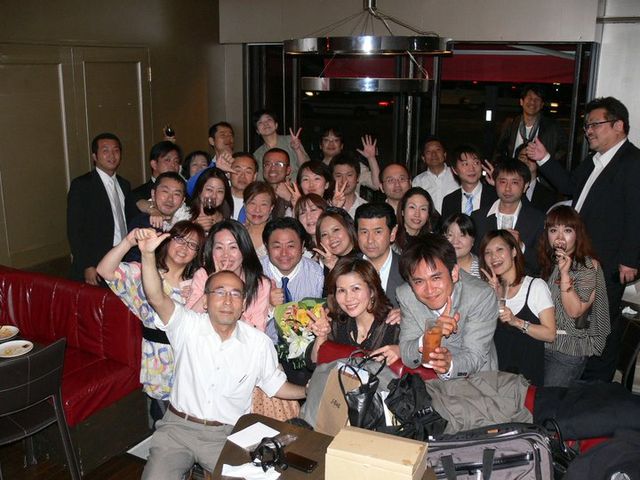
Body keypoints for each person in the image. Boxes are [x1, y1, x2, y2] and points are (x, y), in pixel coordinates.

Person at [138, 231, 305, 479]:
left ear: (243, 304)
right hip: (177, 428)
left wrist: (308, 389)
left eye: (235, 294)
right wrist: (147, 254)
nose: (227, 300)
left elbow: (275, 385)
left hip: (227, 435)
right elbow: (156, 296)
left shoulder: (258, 343)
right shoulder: (187, 325)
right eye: (219, 292)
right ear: (205, 301)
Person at [527, 96, 640, 381]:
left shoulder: (633, 161)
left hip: (609, 259)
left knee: (602, 323)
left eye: (595, 124)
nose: (588, 131)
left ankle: (597, 386)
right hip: (581, 256)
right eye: (587, 125)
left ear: (618, 125)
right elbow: (569, 185)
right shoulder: (594, 160)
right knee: (579, 319)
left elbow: (637, 213)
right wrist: (544, 158)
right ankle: (576, 376)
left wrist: (630, 259)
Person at [96, 221, 205, 424]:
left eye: (193, 245)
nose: (184, 247)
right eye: (180, 239)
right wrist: (129, 241)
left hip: (191, 362)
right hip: (158, 361)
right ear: (167, 240)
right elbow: (104, 270)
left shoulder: (199, 282)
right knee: (163, 422)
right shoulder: (144, 272)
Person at [397, 233, 498, 378]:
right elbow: (407, 356)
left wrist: (448, 365)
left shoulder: (480, 296)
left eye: (436, 278)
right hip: (429, 383)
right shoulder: (407, 295)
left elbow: (475, 356)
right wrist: (428, 337)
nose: (429, 290)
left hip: (474, 382)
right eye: (419, 281)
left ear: (454, 273)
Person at [537, 206, 610, 386]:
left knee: (550, 400)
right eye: (553, 230)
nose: (560, 237)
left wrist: (565, 275)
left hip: (568, 349)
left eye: (567, 230)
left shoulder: (587, 266)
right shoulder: (547, 263)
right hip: (541, 342)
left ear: (577, 234)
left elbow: (575, 311)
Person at [479, 230, 556, 386]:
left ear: (514, 251)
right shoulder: (488, 291)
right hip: (495, 377)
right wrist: (492, 296)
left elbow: (550, 334)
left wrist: (516, 321)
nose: (494, 257)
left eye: (499, 249)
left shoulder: (536, 286)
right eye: (488, 252)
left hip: (526, 379)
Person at [67, 132, 131, 285]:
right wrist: (87, 265)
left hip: (124, 257)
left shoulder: (124, 184)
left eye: (116, 150)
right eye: (105, 150)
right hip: (95, 261)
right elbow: (75, 229)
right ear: (94, 156)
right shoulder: (82, 185)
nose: (112, 155)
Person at [309, 258, 399, 364]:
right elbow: (315, 362)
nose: (348, 298)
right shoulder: (337, 321)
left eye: (355, 288)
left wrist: (401, 350)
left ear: (372, 291)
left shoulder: (395, 324)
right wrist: (322, 335)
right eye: (341, 290)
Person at [186, 220, 271, 332]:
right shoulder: (203, 275)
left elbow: (258, 332)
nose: (226, 255)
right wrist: (215, 283)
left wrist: (234, 310)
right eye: (219, 247)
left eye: (233, 247)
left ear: (244, 249)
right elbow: (187, 321)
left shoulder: (260, 284)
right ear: (211, 251)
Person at [471, 158, 544, 275]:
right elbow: (474, 257)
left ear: (525, 186)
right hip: (486, 281)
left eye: (514, 182)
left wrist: (521, 247)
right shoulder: (478, 217)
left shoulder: (537, 219)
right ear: (495, 183)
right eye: (503, 182)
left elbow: (542, 264)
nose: (508, 188)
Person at [494, 84, 567, 165]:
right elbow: (499, 151)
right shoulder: (511, 124)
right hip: (515, 171)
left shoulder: (552, 127)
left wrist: (547, 163)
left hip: (540, 172)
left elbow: (564, 150)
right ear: (521, 102)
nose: (532, 102)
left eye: (537, 99)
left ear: (542, 105)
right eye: (529, 98)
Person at [354, 202, 404, 307]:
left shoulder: (407, 269)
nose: (370, 240)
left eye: (378, 232)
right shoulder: (346, 267)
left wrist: (405, 313)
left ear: (392, 233)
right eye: (364, 232)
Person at [126, 141, 182, 220]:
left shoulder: (184, 193)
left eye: (176, 161)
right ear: (154, 164)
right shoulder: (136, 195)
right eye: (167, 160)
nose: (173, 165)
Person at [440, 144, 498, 220]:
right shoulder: (449, 201)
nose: (471, 169)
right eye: (465, 164)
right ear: (454, 170)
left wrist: (498, 184)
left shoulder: (496, 195)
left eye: (476, 163)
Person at [318, 127, 381, 192]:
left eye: (336, 140)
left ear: (341, 145)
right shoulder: (315, 168)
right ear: (320, 145)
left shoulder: (354, 165)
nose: (331, 144)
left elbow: (377, 185)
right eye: (326, 140)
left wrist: (371, 158)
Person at [253, 109, 309, 180]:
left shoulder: (291, 141)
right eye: (260, 122)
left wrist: (297, 149)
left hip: (295, 185)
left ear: (276, 125)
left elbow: (306, 168)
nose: (265, 124)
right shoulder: (257, 154)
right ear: (257, 131)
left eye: (269, 120)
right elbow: (260, 179)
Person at [186, 122, 235, 196]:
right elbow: (190, 188)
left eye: (230, 135)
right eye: (223, 135)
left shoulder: (242, 163)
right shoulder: (208, 167)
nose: (228, 138)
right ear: (212, 141)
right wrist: (217, 169)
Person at [412, 136, 458, 214]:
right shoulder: (418, 181)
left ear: (445, 154)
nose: (434, 154)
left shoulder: (457, 174)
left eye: (438, 150)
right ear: (423, 158)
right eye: (428, 152)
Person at [394, 187, 439, 254]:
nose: (417, 214)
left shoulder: (434, 243)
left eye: (423, 209)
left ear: (428, 215)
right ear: (402, 211)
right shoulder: (391, 237)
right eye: (412, 207)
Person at [189, 167, 233, 234]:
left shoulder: (228, 222)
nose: (214, 196)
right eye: (209, 190)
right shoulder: (185, 217)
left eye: (220, 191)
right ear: (199, 191)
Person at [515, 144, 558, 213]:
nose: (526, 161)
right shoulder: (506, 187)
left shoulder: (549, 195)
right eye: (522, 157)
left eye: (531, 158)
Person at [315, 207, 359, 273]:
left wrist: (336, 269)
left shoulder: (366, 258)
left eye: (336, 230)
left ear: (349, 228)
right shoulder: (327, 263)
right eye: (324, 234)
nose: (331, 238)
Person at [243, 181, 276, 260]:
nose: (257, 210)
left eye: (263, 204)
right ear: (244, 205)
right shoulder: (236, 234)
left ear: (271, 208)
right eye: (252, 203)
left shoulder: (277, 235)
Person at [330, 153, 367, 218]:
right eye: (339, 176)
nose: (344, 181)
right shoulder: (323, 207)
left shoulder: (366, 208)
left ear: (357, 177)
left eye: (349, 175)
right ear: (332, 178)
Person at [443, 213, 480, 277]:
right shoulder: (436, 265)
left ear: (473, 240)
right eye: (450, 235)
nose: (455, 241)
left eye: (462, 235)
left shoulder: (484, 269)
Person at [262, 148, 294, 217]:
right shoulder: (256, 193)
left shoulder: (297, 193)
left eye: (278, 164)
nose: (272, 168)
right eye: (268, 164)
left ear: (288, 170)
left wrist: (290, 198)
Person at [229, 152, 258, 221]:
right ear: (228, 173)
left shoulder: (260, 203)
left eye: (248, 172)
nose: (242, 176)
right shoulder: (219, 198)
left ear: (255, 176)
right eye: (238, 171)